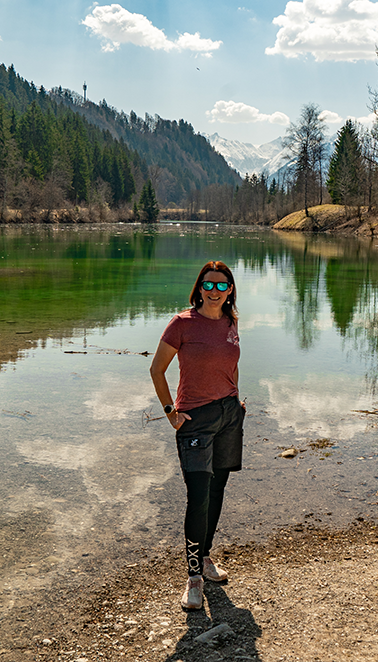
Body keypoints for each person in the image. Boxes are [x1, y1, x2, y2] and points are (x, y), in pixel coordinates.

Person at [149, 260, 246, 611]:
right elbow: (156, 370)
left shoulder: (231, 323)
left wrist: (235, 398)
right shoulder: (181, 324)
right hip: (195, 420)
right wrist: (170, 413)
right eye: (209, 285)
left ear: (230, 290)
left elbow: (228, 364)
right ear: (199, 287)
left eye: (222, 286)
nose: (215, 291)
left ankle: (205, 558)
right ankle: (193, 579)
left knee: (217, 489)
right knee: (199, 495)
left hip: (229, 414)